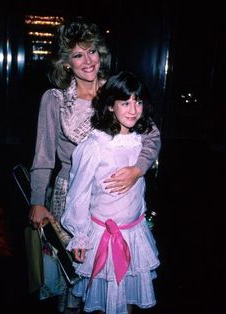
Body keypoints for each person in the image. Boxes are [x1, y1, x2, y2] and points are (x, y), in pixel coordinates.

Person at [29, 16, 161, 313]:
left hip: (118, 198)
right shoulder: (56, 99)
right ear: (66, 63)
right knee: (75, 279)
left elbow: (152, 135)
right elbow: (43, 155)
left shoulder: (116, 91)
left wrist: (138, 169)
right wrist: (38, 200)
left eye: (92, 51)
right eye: (77, 54)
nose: (88, 61)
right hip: (70, 197)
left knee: (115, 280)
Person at [61, 70, 160, 314]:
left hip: (133, 232)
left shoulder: (140, 138)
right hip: (101, 233)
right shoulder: (96, 145)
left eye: (138, 102)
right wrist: (80, 234)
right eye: (125, 103)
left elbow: (155, 142)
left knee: (128, 296)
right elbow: (79, 193)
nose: (133, 109)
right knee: (101, 300)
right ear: (109, 107)